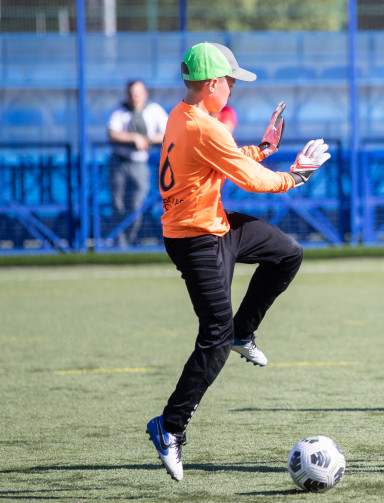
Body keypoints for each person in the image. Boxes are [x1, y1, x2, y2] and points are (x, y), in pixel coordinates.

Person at [146, 42, 330, 482]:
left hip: (213, 225)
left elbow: (225, 160)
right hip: (196, 240)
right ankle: (168, 428)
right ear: (212, 84)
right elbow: (249, 180)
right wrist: (296, 175)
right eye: (229, 81)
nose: (233, 88)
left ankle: (244, 331)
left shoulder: (184, 115)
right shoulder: (204, 127)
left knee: (287, 254)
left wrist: (265, 148)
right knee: (213, 337)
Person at [107, 79, 168, 247]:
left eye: (138, 94)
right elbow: (112, 134)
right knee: (118, 205)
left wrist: (147, 139)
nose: (134, 97)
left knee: (136, 205)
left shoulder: (154, 110)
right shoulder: (120, 111)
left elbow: (168, 132)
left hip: (140, 164)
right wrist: (133, 138)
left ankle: (130, 242)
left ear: (144, 94)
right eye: (131, 94)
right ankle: (119, 246)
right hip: (119, 162)